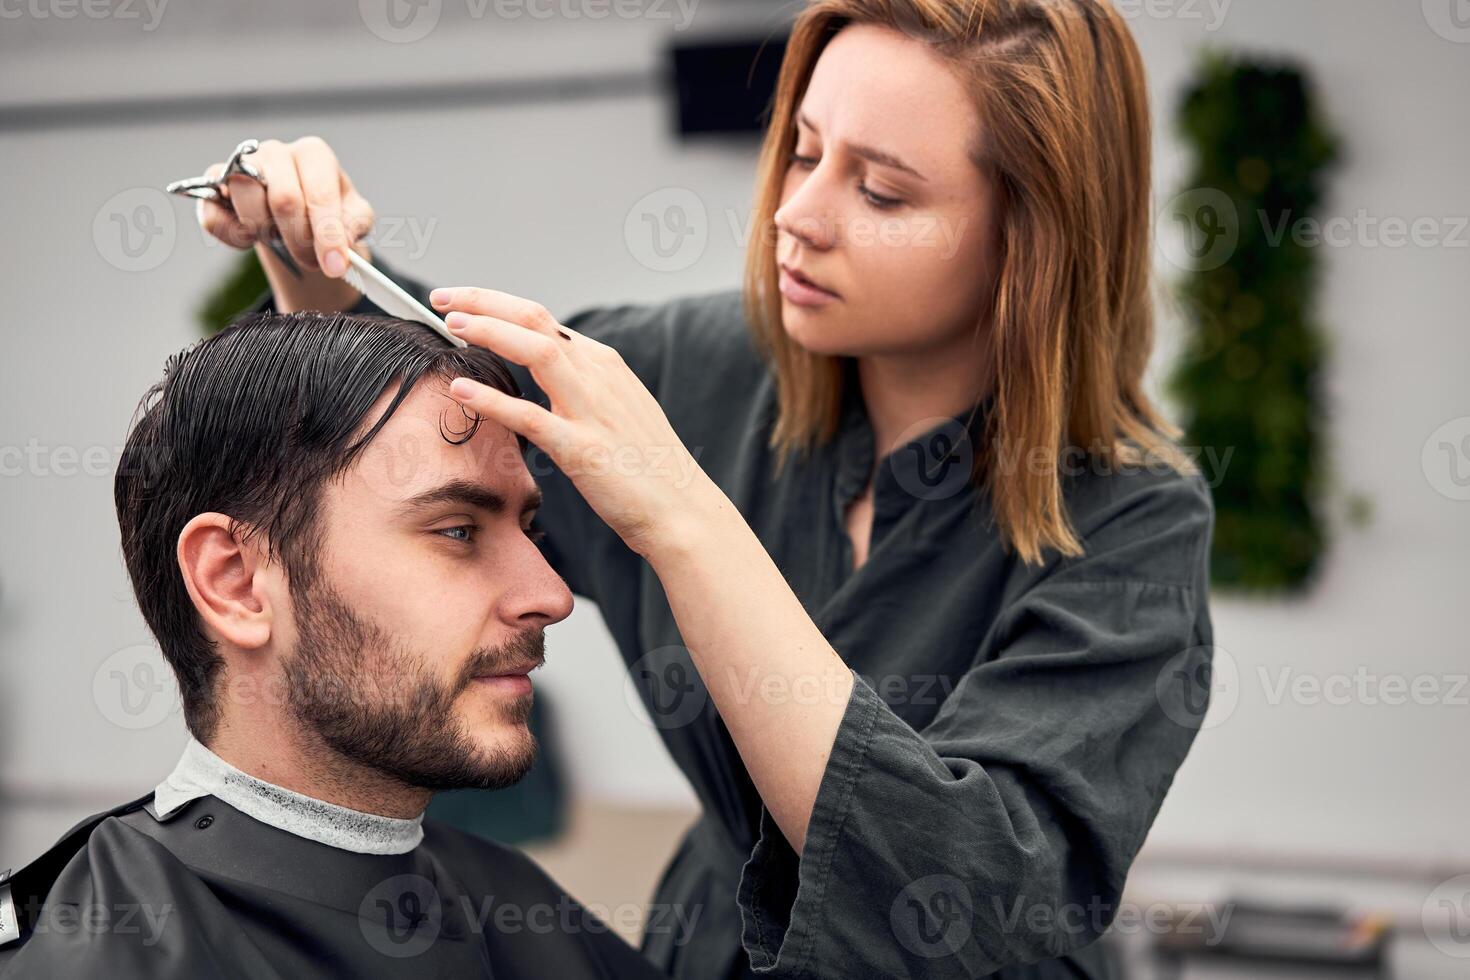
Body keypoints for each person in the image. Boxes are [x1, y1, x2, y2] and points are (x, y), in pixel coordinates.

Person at [204, 2, 1217, 977]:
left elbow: (955, 887)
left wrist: (683, 519)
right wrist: (311, 250)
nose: (796, 213)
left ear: (1031, 240)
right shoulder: (698, 367)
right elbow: (437, 390)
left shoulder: (1133, 519)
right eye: (807, 150)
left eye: (883, 192)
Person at [0, 312, 672, 978]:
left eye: (531, 529)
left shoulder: (528, 915)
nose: (551, 596)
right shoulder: (90, 954)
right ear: (234, 581)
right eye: (458, 530)